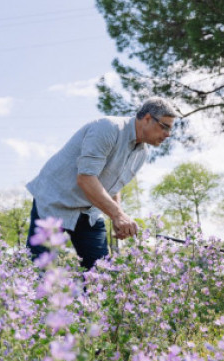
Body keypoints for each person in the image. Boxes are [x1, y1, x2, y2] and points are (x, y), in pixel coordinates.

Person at [25, 97, 178, 270]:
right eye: (165, 127)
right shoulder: (108, 128)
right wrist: (118, 215)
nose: (168, 134)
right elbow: (86, 178)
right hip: (56, 200)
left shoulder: (142, 153)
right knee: (39, 270)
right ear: (148, 118)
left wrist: (116, 216)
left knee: (99, 273)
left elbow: (111, 184)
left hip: (90, 211)